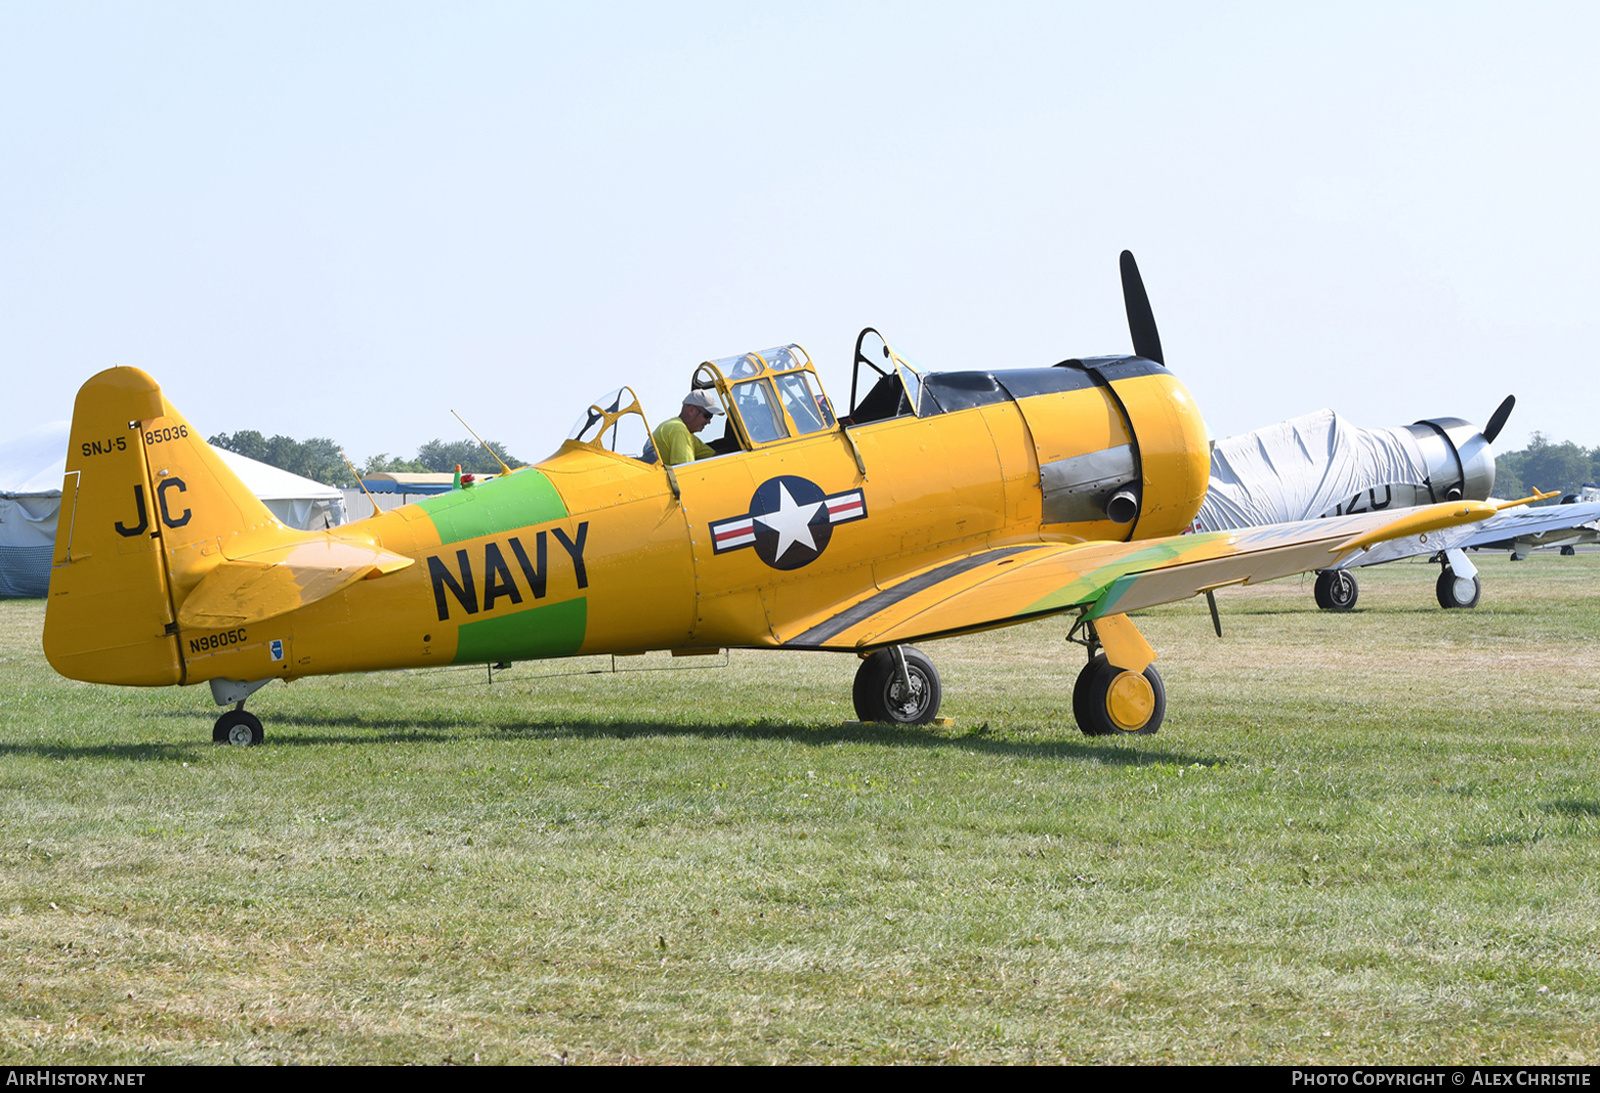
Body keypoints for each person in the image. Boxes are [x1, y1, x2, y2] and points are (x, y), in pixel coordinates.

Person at [652, 390, 724, 466]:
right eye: (707, 416)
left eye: (711, 417)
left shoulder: (684, 432)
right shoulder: (679, 430)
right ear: (691, 410)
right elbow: (685, 471)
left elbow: (716, 457)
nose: (709, 422)